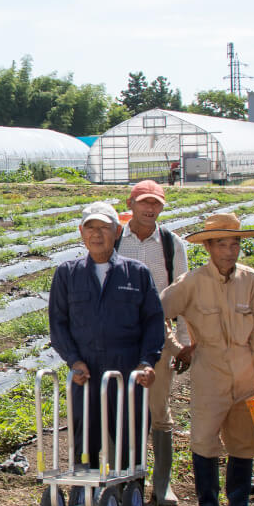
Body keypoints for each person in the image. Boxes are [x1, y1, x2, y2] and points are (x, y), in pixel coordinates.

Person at [160, 212, 254, 506]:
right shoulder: (192, 282)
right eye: (221, 244)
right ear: (208, 247)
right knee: (204, 439)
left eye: (234, 243)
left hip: (245, 371)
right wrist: (177, 347)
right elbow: (158, 312)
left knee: (244, 440)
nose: (229, 250)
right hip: (208, 369)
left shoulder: (250, 279)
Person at [48, 201, 165, 474]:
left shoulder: (136, 273)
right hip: (85, 372)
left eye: (104, 228)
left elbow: (153, 322)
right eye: (91, 228)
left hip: (126, 368)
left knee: (130, 440)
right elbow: (58, 324)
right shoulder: (67, 274)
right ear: (81, 232)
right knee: (84, 441)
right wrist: (74, 360)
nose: (97, 234)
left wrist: (147, 362)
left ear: (117, 231)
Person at [115, 179, 190, 506]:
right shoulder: (116, 238)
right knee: (124, 409)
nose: (150, 209)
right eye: (144, 202)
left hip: (158, 332)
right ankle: (128, 479)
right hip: (120, 333)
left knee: (159, 409)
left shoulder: (173, 244)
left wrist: (185, 343)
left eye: (156, 204)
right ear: (130, 204)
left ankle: (162, 485)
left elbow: (184, 295)